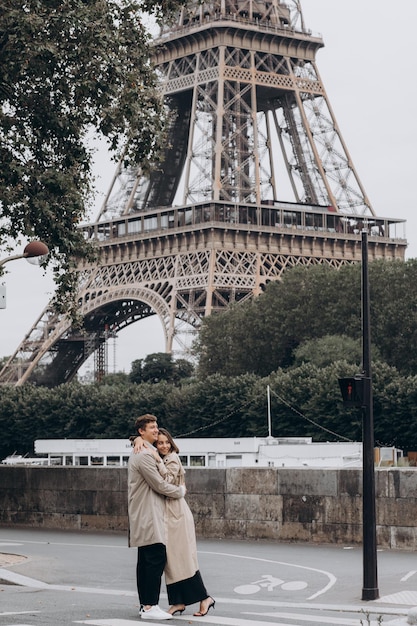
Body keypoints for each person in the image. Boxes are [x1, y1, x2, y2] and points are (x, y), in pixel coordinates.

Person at [134, 428, 215, 617]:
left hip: (176, 513)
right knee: (173, 560)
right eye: (159, 443)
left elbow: (167, 481)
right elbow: (141, 436)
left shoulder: (171, 458)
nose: (163, 446)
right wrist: (138, 439)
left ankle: (204, 597)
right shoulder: (161, 456)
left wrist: (155, 458)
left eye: (166, 442)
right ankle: (178, 601)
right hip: (168, 514)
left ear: (171, 443)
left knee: (182, 559)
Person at [128, 414, 186, 621]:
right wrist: (180, 491)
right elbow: (159, 485)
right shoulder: (144, 455)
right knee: (155, 559)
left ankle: (146, 605)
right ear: (141, 432)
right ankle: (150, 606)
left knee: (145, 562)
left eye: (156, 426)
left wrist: (136, 440)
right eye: (151, 427)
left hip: (145, 513)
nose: (156, 430)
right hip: (149, 514)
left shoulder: (144, 450)